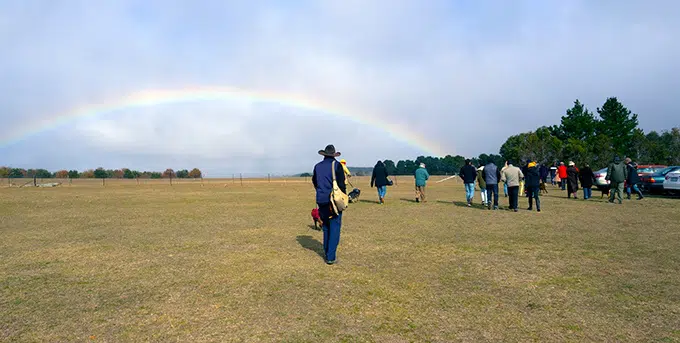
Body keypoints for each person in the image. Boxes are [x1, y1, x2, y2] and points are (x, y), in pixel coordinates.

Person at [312, 144, 346, 265]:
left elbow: (315, 182)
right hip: (333, 201)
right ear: (334, 154)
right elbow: (341, 185)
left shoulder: (317, 166)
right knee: (335, 228)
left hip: (321, 200)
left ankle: (327, 252)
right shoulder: (337, 166)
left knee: (326, 227)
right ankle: (331, 257)